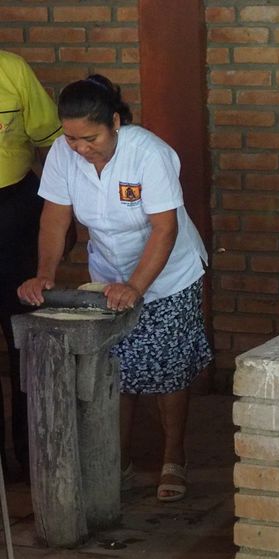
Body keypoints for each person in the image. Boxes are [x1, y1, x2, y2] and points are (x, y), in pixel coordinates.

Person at [17, 74, 211, 502]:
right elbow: (55, 217)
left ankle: (173, 457)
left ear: (116, 123)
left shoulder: (150, 154)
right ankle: (115, 459)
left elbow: (164, 228)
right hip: (108, 273)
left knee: (168, 368)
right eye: (71, 139)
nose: (81, 148)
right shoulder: (63, 157)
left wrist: (137, 286)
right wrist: (45, 270)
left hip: (168, 274)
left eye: (91, 138)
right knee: (114, 367)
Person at [0, 50, 63, 479]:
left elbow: (55, 141)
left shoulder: (12, 68)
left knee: (23, 337)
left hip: (13, 211)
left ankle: (31, 455)